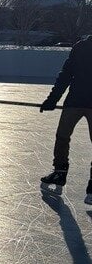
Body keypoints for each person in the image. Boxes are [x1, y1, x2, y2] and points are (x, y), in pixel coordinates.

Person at [39, 35, 92, 203]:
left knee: (62, 137)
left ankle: (62, 174)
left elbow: (65, 75)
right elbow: (66, 74)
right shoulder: (81, 47)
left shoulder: (80, 46)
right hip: (74, 101)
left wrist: (53, 99)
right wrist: (52, 99)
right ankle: (59, 173)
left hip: (75, 101)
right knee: (62, 136)